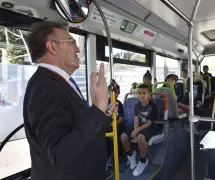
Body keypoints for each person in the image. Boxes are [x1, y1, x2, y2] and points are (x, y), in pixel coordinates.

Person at [23, 22, 118, 180]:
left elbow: (75, 131)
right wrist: (97, 109)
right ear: (53, 47)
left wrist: (102, 113)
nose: (78, 49)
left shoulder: (58, 83)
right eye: (71, 42)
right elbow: (61, 155)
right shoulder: (45, 87)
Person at [121, 84, 158, 176]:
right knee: (123, 136)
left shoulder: (153, 107)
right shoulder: (137, 106)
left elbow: (149, 123)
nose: (141, 95)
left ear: (149, 95)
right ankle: (131, 155)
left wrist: (137, 131)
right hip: (140, 126)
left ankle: (143, 160)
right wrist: (135, 129)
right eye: (139, 93)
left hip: (150, 128)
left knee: (141, 137)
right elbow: (136, 119)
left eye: (144, 93)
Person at [106, 80, 125, 166]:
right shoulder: (106, 103)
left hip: (117, 125)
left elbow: (120, 119)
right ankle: (107, 156)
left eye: (116, 93)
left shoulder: (119, 104)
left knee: (115, 136)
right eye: (111, 92)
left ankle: (115, 156)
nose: (114, 95)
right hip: (108, 125)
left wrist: (112, 123)